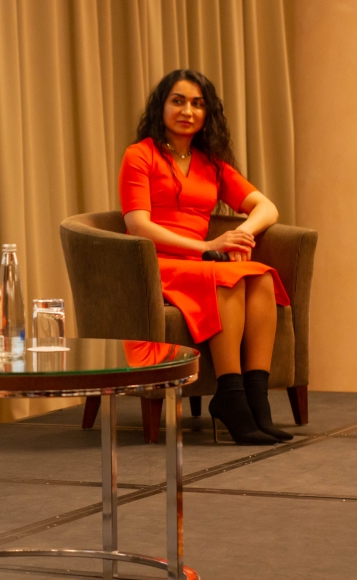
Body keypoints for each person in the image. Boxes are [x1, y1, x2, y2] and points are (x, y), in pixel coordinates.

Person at [118, 69, 292, 446]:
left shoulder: (210, 163)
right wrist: (208, 246)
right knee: (225, 275)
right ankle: (230, 395)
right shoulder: (139, 155)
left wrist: (242, 234)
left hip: (200, 260)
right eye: (178, 101)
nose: (188, 111)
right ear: (161, 107)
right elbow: (138, 225)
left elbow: (267, 207)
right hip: (155, 262)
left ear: (207, 113)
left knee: (261, 275)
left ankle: (257, 397)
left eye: (197, 104)